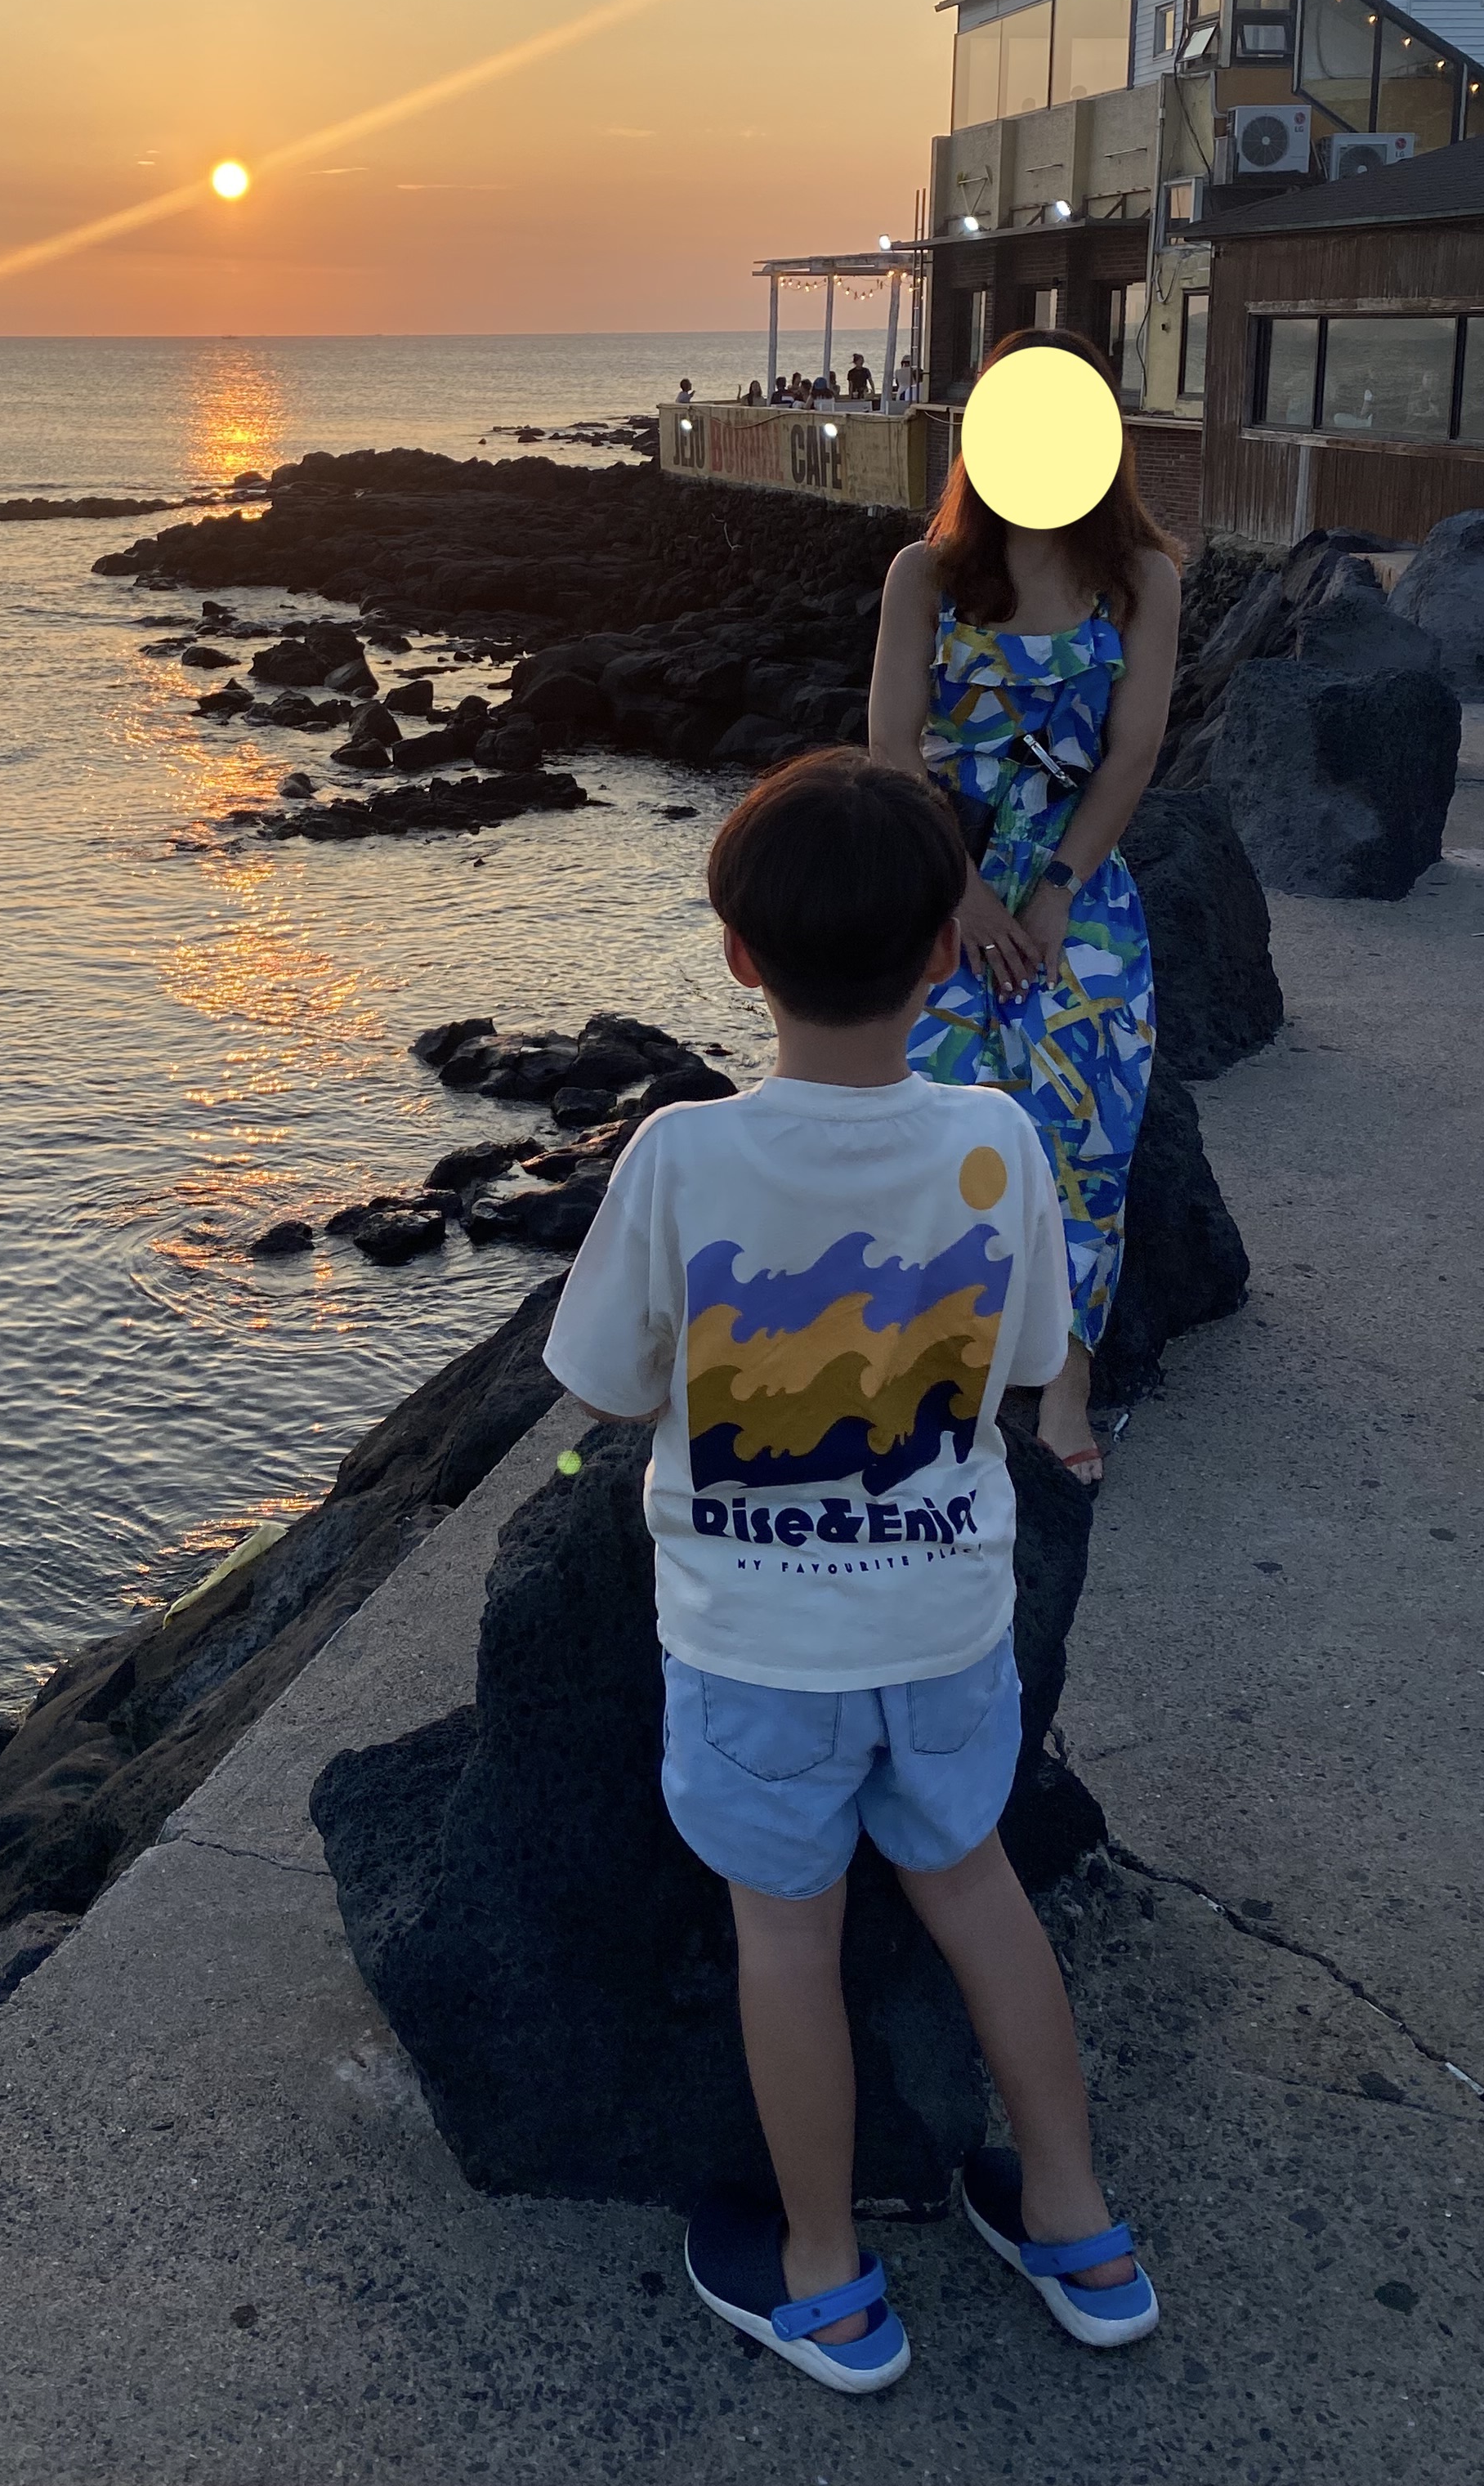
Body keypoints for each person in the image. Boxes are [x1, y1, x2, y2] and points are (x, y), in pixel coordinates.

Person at [548, 752, 1158, 2399]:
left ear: (737, 956)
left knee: (787, 1941)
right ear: (947, 951)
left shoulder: (678, 1157)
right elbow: (1029, 1362)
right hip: (946, 1623)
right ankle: (1080, 2226)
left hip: (755, 1653)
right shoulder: (995, 1139)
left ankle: (826, 2279)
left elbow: (603, 1381)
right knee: (976, 1888)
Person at [866, 327, 1180, 1487]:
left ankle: (1064, 1385)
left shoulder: (1140, 579)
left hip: (1074, 882)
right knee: (920, 1117)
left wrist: (1049, 897)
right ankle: (920, 1364)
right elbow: (892, 746)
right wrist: (966, 899)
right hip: (940, 871)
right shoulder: (928, 575)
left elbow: (1132, 756)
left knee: (1080, 1125)